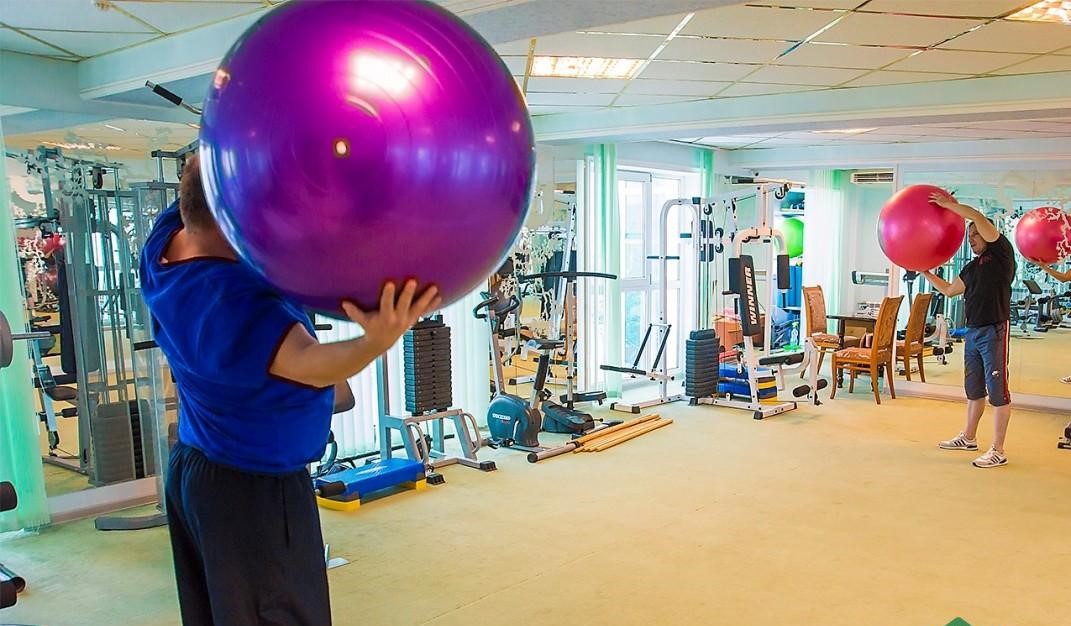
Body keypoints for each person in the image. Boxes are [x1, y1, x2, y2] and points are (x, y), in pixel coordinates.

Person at [141, 154, 441, 625]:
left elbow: (204, 180)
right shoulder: (231, 305)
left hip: (197, 470)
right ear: (233, 223)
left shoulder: (166, 242)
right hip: (251, 491)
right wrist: (376, 340)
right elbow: (312, 365)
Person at [920, 192, 1016, 468]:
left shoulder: (1001, 253)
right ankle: (969, 437)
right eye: (969, 235)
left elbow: (975, 215)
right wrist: (926, 272)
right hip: (973, 332)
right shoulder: (972, 267)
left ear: (988, 233)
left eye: (975, 234)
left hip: (994, 330)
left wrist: (947, 206)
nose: (971, 239)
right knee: (974, 389)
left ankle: (998, 450)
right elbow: (950, 290)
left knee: (998, 391)